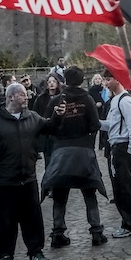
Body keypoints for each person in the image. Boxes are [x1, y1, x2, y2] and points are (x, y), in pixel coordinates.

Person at [0, 82, 55, 260]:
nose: (27, 97)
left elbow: (50, 126)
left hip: (28, 178)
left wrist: (58, 115)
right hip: (4, 180)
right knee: (6, 221)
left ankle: (35, 251)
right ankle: (5, 256)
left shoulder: (32, 117)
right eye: (22, 95)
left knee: (33, 218)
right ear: (11, 97)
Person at [40, 67, 107, 248]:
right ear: (82, 80)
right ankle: (96, 231)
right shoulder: (88, 99)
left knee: (60, 195)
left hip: (61, 151)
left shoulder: (56, 100)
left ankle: (58, 233)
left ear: (64, 81)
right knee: (89, 192)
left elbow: (47, 125)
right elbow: (95, 125)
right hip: (83, 150)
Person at [100, 73, 131, 238]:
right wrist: (96, 123)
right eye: (105, 79)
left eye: (108, 79)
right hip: (117, 146)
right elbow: (111, 124)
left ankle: (130, 224)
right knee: (122, 186)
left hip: (122, 147)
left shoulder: (125, 100)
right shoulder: (115, 100)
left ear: (117, 79)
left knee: (124, 187)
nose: (105, 83)